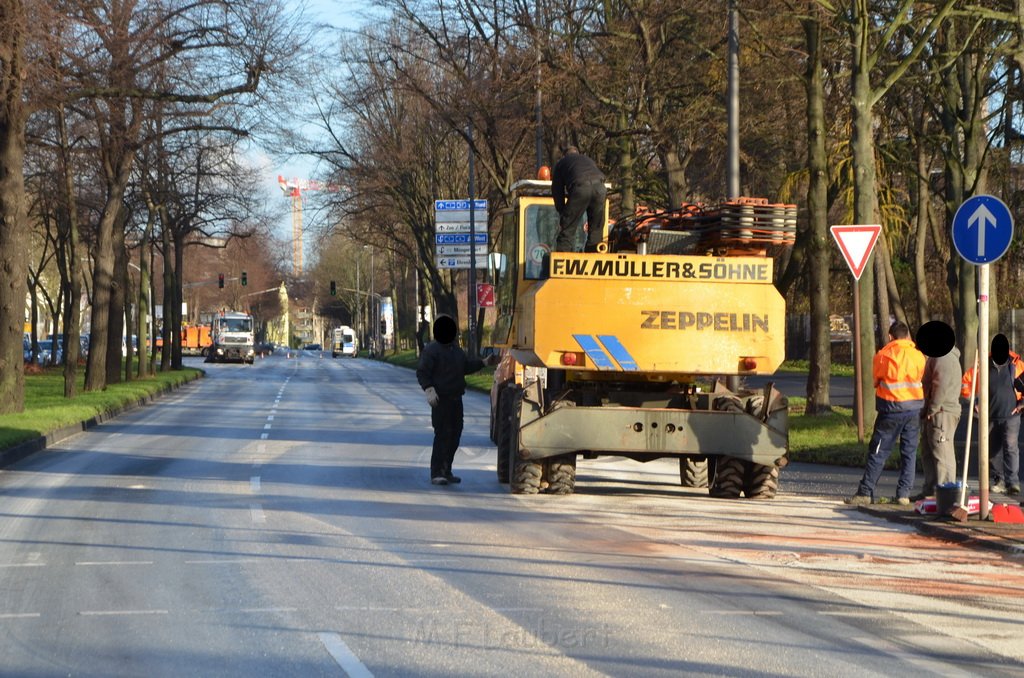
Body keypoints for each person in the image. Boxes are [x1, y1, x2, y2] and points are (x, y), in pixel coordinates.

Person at [845, 321, 926, 506]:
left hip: (891, 410)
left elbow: (876, 381)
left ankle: (865, 492)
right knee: (909, 452)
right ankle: (903, 495)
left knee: (878, 451)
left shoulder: (883, 356)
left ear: (890, 336)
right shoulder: (918, 356)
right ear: (906, 336)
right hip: (913, 409)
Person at [416, 315, 494, 485]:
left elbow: (465, 367)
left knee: (455, 436)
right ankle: (437, 472)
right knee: (442, 435)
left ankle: (447, 470)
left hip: (456, 399)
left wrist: (483, 363)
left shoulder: (456, 351)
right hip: (440, 400)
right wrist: (429, 389)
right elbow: (422, 372)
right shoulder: (431, 350)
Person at [961, 334, 1024, 495]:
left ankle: (1012, 482)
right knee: (991, 449)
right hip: (988, 415)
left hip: (1011, 415)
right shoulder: (982, 365)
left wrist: (1022, 404)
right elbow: (966, 383)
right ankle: (999, 479)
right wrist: (974, 402)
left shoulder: (1016, 366)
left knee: (1011, 448)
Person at [911, 321, 962, 501]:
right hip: (935, 411)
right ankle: (931, 489)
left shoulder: (944, 358)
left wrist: (932, 408)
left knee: (942, 452)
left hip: (942, 412)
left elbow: (939, 385)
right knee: (929, 451)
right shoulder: (939, 356)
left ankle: (945, 493)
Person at [551, 145, 607, 253]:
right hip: (600, 189)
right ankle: (593, 261)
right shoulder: (588, 160)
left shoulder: (562, 163)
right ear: (577, 153)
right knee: (596, 229)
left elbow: (557, 190)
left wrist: (562, 211)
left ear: (564, 155)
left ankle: (563, 261)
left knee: (568, 229)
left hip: (580, 188)